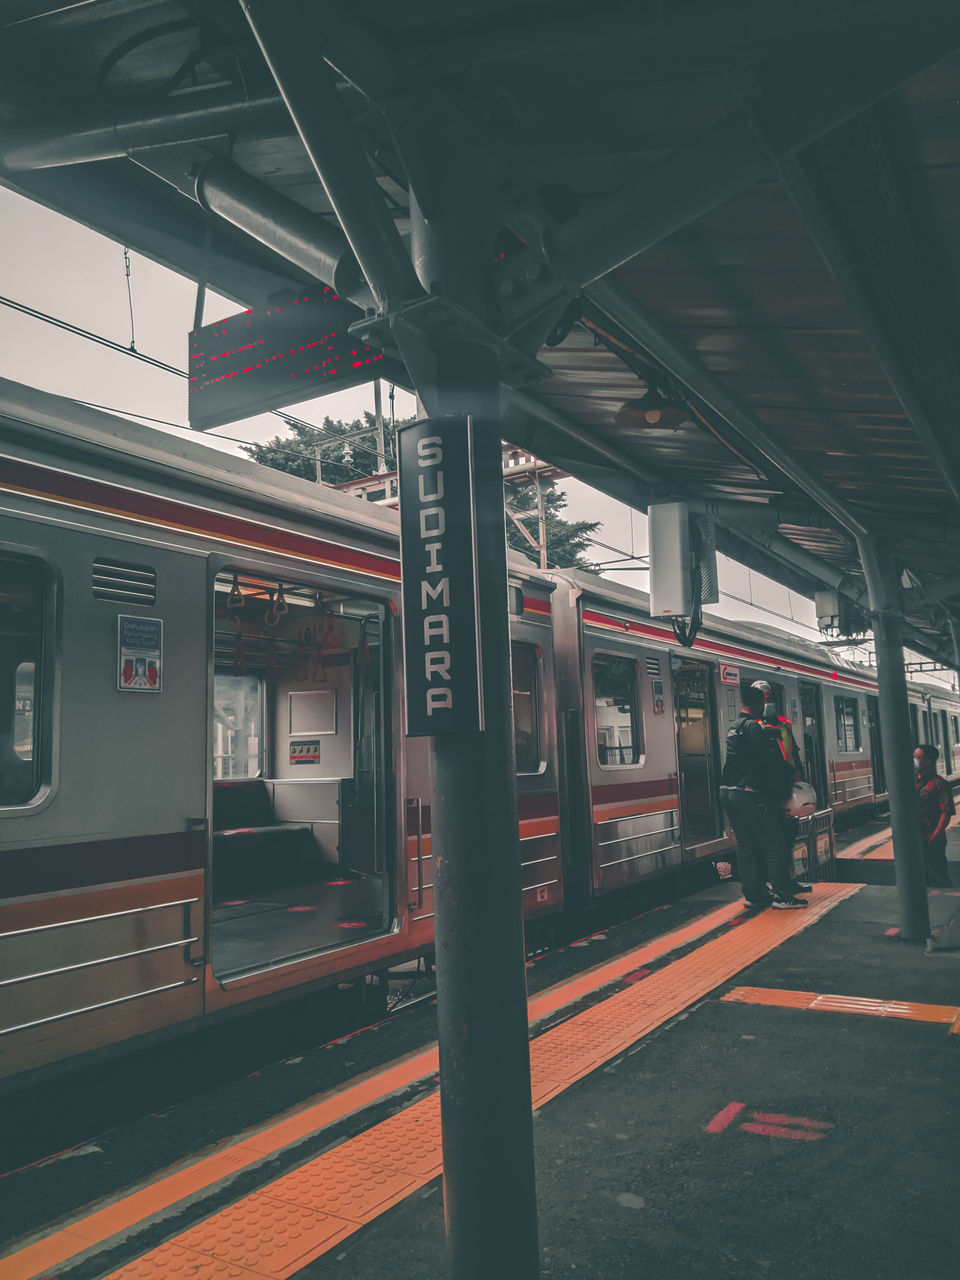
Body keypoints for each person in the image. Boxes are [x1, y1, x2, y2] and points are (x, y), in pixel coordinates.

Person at [719, 686, 808, 909]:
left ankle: (754, 895)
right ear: (759, 705)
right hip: (748, 794)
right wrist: (790, 774)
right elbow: (768, 761)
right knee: (774, 844)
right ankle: (782, 896)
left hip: (728, 792)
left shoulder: (733, 727)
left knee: (746, 844)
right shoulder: (753, 727)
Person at [751, 680, 813, 897]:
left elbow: (793, 752)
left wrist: (798, 775)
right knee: (770, 843)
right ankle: (772, 886)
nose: (768, 703)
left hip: (787, 790)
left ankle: (789, 881)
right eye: (763, 699)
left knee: (787, 839)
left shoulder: (784, 725)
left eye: (769, 698)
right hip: (768, 791)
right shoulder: (754, 727)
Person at [914, 744, 955, 888]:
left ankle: (946, 903)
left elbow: (946, 811)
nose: (915, 760)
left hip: (931, 837)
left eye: (919, 757)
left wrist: (937, 833)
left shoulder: (940, 784)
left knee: (938, 875)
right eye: (914, 757)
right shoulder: (911, 782)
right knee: (920, 878)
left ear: (929, 761)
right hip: (914, 838)